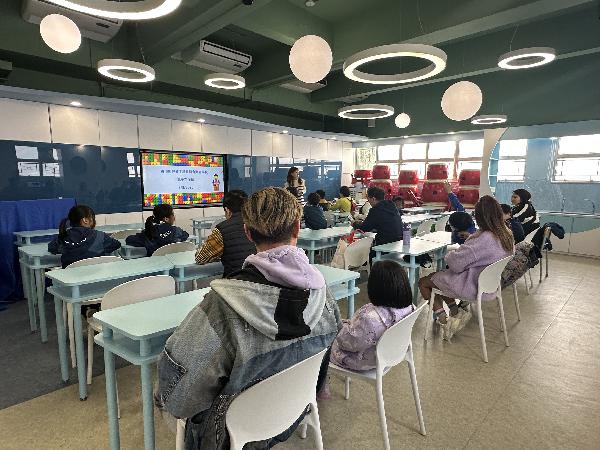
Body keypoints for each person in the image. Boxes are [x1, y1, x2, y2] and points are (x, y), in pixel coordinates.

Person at [155, 187, 342, 449]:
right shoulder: (326, 298)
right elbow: (322, 373)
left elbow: (177, 399)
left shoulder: (220, 308)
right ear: (297, 228)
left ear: (248, 232)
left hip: (228, 435)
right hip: (293, 414)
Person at [418, 196, 514, 340]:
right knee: (440, 278)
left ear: (479, 217)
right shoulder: (506, 234)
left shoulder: (484, 238)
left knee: (424, 282)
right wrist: (471, 238)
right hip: (491, 285)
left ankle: (445, 321)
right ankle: (456, 313)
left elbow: (455, 264)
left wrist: (453, 252)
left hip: (472, 285)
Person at [330, 260, 414, 371]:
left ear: (374, 287)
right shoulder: (409, 307)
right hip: (392, 353)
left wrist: (339, 324)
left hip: (365, 360)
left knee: (322, 343)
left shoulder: (369, 319)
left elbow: (346, 343)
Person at [195, 190, 257, 277]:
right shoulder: (258, 225)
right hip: (259, 279)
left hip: (235, 281)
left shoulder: (221, 229)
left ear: (227, 210)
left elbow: (200, 258)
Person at [48, 204, 121, 268]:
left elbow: (52, 248)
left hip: (70, 278)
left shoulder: (62, 236)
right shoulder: (99, 236)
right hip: (96, 276)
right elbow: (116, 244)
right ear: (85, 220)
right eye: (92, 218)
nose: (94, 220)